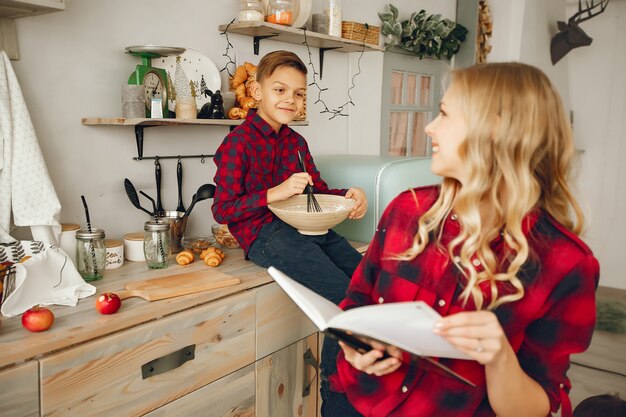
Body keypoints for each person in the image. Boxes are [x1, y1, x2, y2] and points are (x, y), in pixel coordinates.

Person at [324, 62, 600, 417]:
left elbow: (540, 405)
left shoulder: (566, 264)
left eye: (444, 114)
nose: (429, 127)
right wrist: (355, 346)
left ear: (496, 130)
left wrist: (500, 357)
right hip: (351, 401)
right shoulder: (406, 209)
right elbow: (357, 300)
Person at [211, 50, 368, 409]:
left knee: (368, 284)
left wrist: (348, 196)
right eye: (280, 90)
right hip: (266, 237)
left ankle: (358, 383)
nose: (290, 100)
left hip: (307, 228)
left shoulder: (296, 143)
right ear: (257, 90)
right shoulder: (238, 143)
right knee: (345, 299)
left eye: (298, 94)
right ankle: (337, 394)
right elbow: (222, 209)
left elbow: (318, 191)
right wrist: (274, 194)